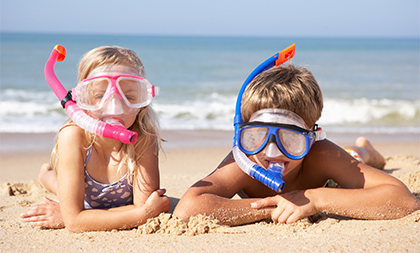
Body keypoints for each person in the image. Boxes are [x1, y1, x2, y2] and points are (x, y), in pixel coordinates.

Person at [173, 62, 419, 226]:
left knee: (354, 156)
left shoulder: (320, 153)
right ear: (243, 133)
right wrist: (273, 208)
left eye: (290, 138)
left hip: (334, 176)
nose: (271, 151)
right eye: (257, 135)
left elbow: (404, 201)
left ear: (312, 137)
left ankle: (368, 151)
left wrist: (315, 199)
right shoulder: (245, 159)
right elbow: (187, 210)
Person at [20, 46, 170, 232]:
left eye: (130, 96)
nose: (115, 107)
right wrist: (141, 215)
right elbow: (76, 223)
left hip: (87, 203)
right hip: (81, 192)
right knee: (57, 183)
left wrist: (78, 216)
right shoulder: (74, 137)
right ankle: (45, 173)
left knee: (65, 189)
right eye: (99, 96)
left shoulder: (143, 138)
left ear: (143, 99)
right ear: (81, 99)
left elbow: (77, 219)